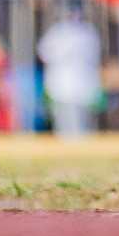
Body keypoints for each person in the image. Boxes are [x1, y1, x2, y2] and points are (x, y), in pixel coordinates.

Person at [37, 9, 101, 139]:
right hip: (66, 84)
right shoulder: (85, 32)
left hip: (75, 84)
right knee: (67, 120)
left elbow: (46, 53)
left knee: (76, 122)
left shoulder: (74, 32)